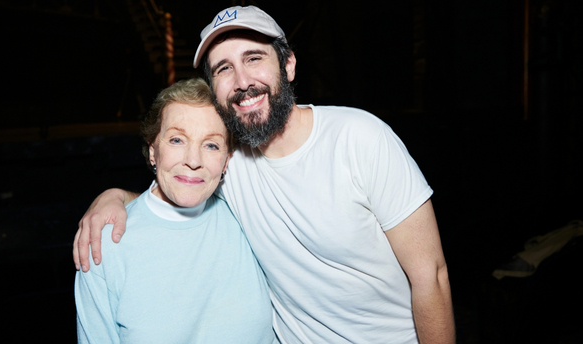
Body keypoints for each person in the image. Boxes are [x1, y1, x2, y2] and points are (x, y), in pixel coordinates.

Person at [75, 6, 455, 344]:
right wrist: (111, 197)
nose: (242, 80)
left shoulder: (360, 138)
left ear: (288, 64)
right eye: (224, 68)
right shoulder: (227, 160)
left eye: (253, 58)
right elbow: (177, 184)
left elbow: (431, 277)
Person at [74, 78, 277, 344]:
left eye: (211, 145)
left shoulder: (249, 218)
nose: (193, 160)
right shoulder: (105, 245)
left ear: (227, 160)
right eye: (177, 140)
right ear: (152, 152)